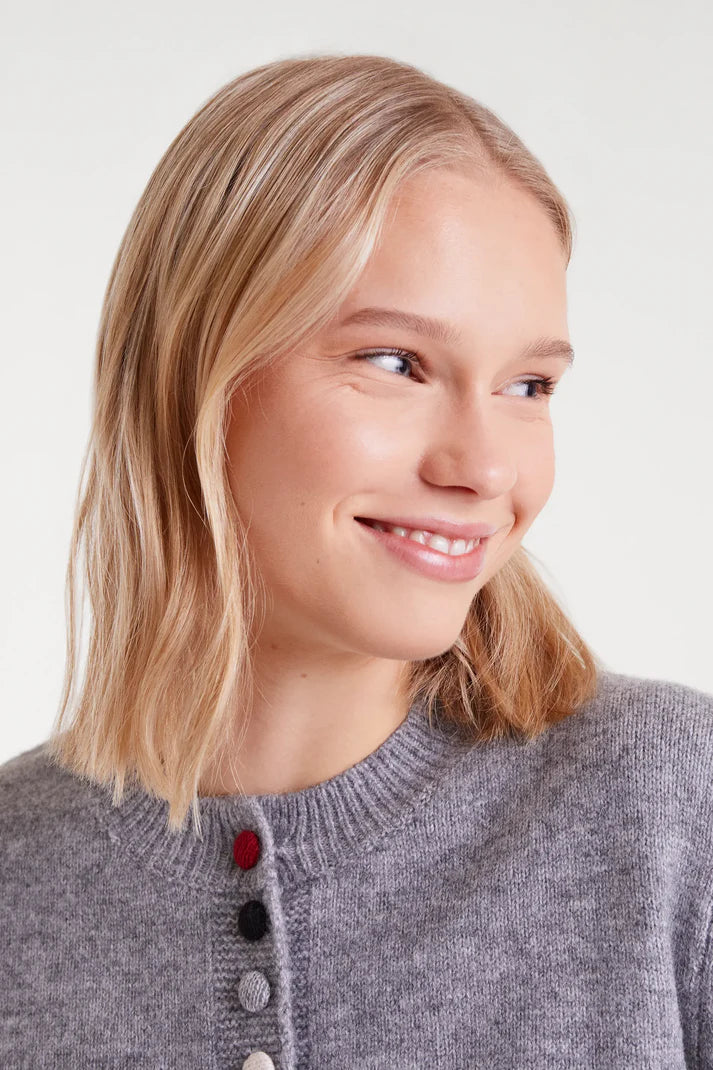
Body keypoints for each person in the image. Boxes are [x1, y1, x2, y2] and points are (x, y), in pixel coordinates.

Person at [1, 53, 711, 1070]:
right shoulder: (17, 871)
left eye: (527, 384)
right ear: (194, 371)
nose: (481, 466)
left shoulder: (667, 803)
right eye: (396, 363)